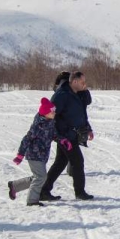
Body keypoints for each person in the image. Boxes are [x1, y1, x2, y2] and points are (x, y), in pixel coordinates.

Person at [41, 71, 94, 201]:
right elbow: (51, 116)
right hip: (65, 136)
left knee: (60, 162)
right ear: (74, 81)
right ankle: (80, 192)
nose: (85, 84)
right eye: (82, 82)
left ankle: (43, 190)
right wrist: (58, 136)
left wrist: (88, 129)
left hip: (72, 135)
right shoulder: (61, 95)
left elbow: (82, 112)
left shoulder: (77, 94)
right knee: (77, 162)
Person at [8, 98, 72, 206]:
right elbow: (26, 139)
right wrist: (20, 154)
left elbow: (54, 134)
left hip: (42, 155)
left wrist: (62, 140)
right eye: (52, 111)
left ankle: (15, 186)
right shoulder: (38, 126)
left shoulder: (50, 122)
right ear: (46, 113)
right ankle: (32, 201)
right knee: (41, 177)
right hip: (34, 155)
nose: (54, 112)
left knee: (38, 177)